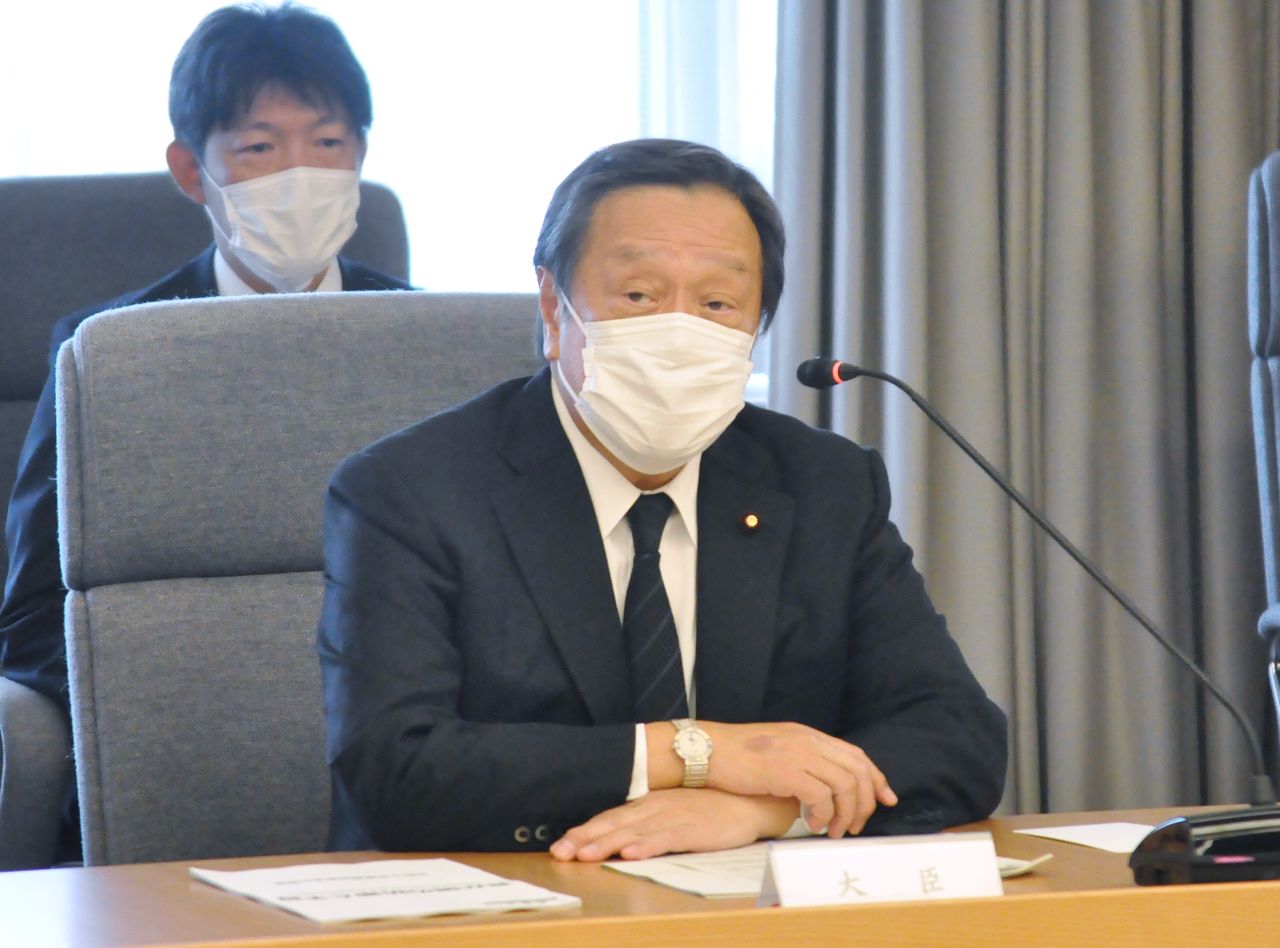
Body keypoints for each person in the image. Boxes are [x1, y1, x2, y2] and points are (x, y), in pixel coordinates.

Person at [318, 139, 1006, 860]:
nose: (679, 332)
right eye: (640, 296)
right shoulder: (411, 490)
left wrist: (764, 810)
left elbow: (958, 735)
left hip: (745, 905)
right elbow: (395, 771)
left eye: (717, 303)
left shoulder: (823, 485)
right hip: (510, 896)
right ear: (553, 308)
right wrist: (694, 753)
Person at [0, 2, 409, 858]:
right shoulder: (109, 352)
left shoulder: (426, 342)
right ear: (192, 170)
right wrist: (176, 709)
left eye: (328, 143)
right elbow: (36, 613)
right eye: (259, 148)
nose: (299, 174)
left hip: (401, 740)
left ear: (362, 155)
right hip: (177, 746)